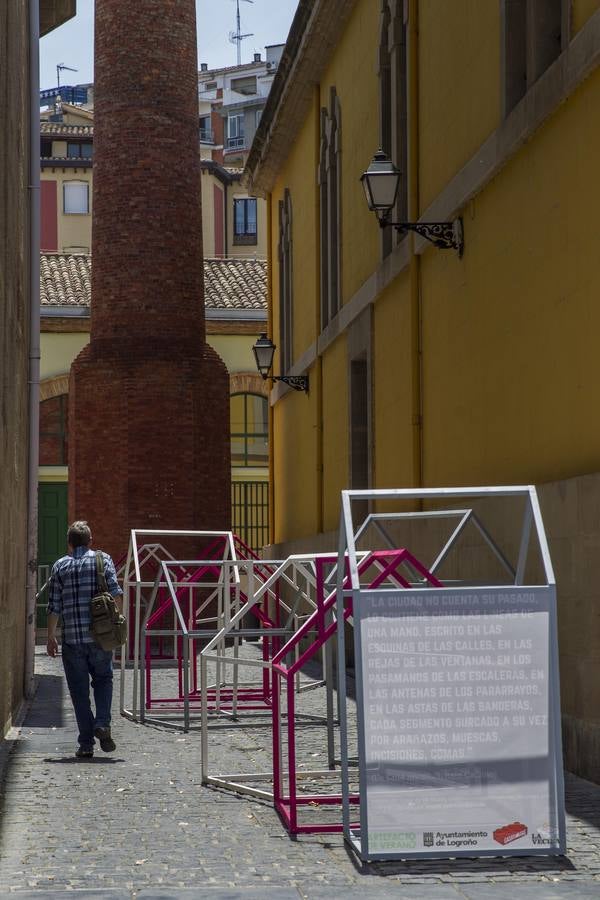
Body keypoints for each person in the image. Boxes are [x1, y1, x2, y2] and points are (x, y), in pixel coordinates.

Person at [46, 520, 123, 759]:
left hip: (72, 640)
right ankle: (102, 722)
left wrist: (51, 636)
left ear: (69, 543)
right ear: (90, 541)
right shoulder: (102, 559)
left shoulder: (60, 566)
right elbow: (115, 594)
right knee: (103, 680)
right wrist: (117, 623)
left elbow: (54, 606)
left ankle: (86, 743)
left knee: (79, 692)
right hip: (100, 637)